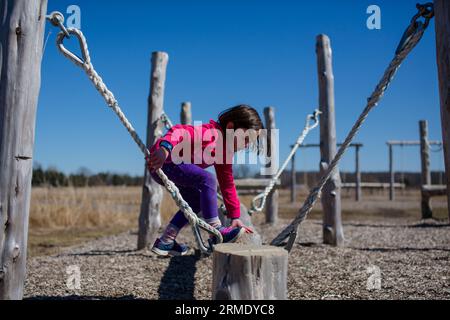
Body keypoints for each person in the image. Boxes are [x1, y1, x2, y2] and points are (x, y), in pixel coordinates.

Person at [146, 105, 264, 256]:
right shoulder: (210, 133)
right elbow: (179, 131)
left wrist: (235, 216)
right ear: (230, 127)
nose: (246, 145)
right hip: (164, 160)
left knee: (195, 202)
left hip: (176, 170)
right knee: (207, 178)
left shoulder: (225, 152)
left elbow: (227, 183)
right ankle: (215, 231)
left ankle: (166, 241)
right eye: (246, 139)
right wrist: (165, 149)